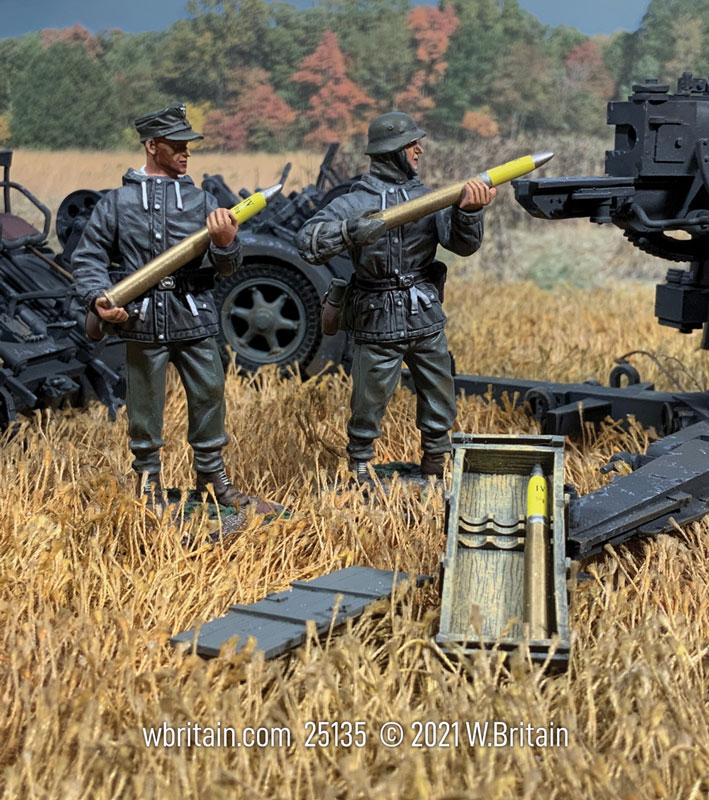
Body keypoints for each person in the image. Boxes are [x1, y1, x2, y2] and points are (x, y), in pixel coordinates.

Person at [297, 111, 495, 480]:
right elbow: (308, 242)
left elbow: (462, 245)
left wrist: (470, 212)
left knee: (439, 391)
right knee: (368, 401)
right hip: (376, 316)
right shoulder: (357, 200)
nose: (419, 150)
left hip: (424, 312)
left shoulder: (429, 198)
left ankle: (436, 463)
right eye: (410, 145)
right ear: (391, 152)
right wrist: (352, 230)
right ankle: (359, 469)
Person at [72, 103, 245, 511]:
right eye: (176, 146)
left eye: (188, 146)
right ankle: (148, 482)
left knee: (210, 392)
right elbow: (88, 256)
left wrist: (225, 245)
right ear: (152, 146)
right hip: (142, 320)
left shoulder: (203, 201)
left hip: (192, 315)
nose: (186, 153)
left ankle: (211, 476)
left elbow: (229, 266)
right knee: (143, 404)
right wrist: (99, 296)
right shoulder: (116, 203)